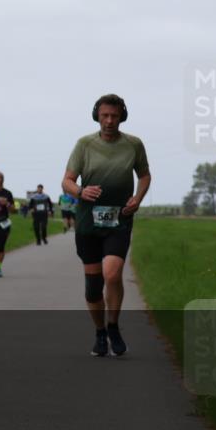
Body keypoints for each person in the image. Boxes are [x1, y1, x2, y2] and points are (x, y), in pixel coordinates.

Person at [62, 94, 150, 358]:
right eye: (105, 115)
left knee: (112, 274)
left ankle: (113, 326)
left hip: (119, 219)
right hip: (88, 221)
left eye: (114, 116)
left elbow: (144, 175)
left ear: (122, 116)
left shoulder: (134, 144)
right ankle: (100, 332)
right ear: (97, 116)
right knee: (93, 287)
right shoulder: (84, 144)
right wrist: (81, 191)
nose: (110, 121)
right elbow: (67, 181)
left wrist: (138, 198)